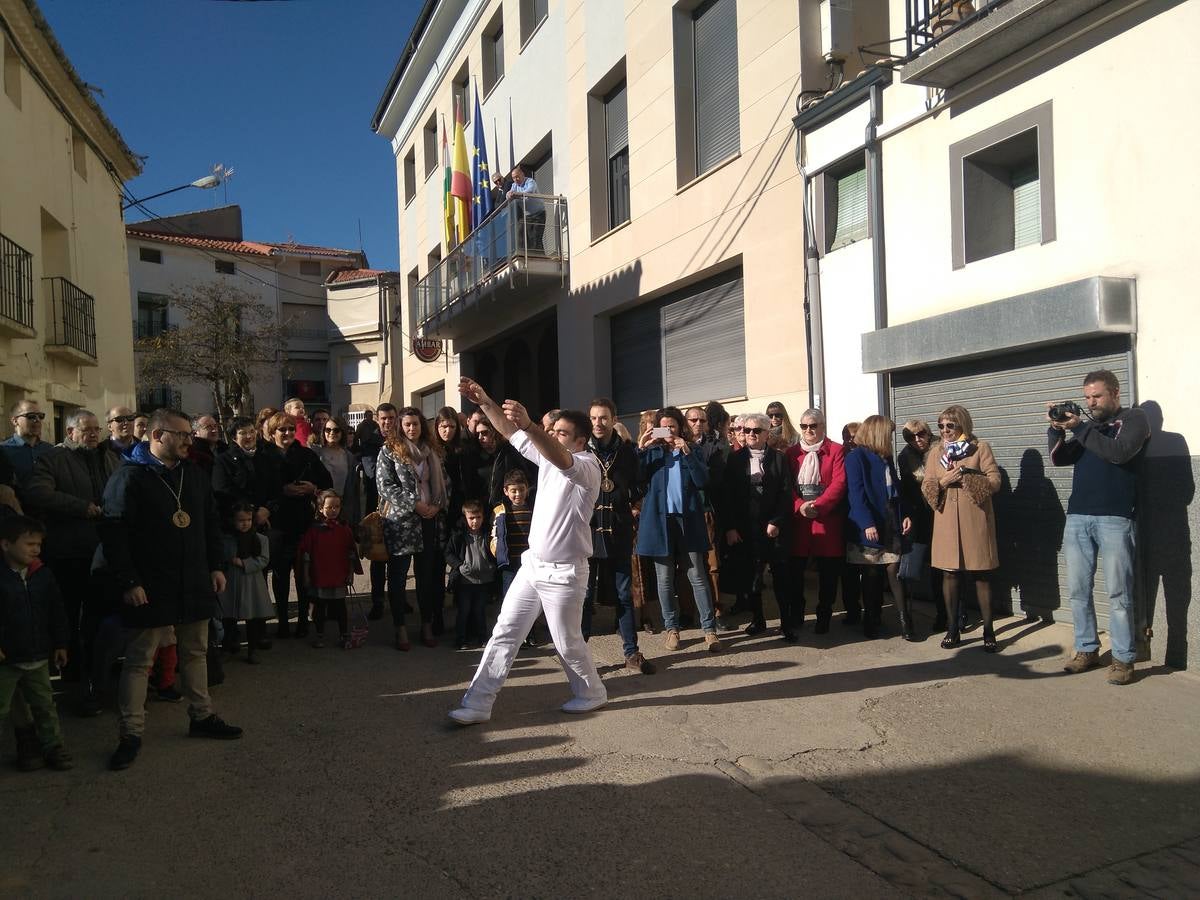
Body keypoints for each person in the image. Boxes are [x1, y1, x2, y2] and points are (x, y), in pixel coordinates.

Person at [449, 378, 606, 725]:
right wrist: (486, 401)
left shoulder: (587, 466)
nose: (554, 434)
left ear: (581, 440)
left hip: (565, 573)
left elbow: (558, 454)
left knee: (567, 643)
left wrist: (533, 425)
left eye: (561, 432)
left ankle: (591, 692)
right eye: (554, 430)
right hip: (533, 566)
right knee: (504, 631)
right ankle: (478, 703)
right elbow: (512, 433)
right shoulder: (549, 455)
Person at [100, 408, 243, 771]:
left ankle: (202, 716)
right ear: (156, 435)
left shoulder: (193, 474)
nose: (187, 441)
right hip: (150, 583)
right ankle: (130, 734)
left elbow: (210, 522)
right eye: (180, 435)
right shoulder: (128, 477)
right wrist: (129, 581)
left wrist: (216, 565)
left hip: (193, 578)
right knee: (139, 659)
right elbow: (114, 534)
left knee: (195, 651)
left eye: (188, 435)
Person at [1050, 370, 1150, 684]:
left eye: (1097, 396)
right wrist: (1056, 430)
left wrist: (1079, 427)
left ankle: (1123, 659)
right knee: (1079, 591)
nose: (1091, 403)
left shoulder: (1134, 420)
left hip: (1116, 518)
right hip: (1078, 516)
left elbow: (1118, 454)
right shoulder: (1088, 425)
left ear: (1115, 393)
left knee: (1119, 593)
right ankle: (1086, 650)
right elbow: (1060, 459)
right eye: (1087, 397)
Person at [23, 410, 120, 708]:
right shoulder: (52, 459)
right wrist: (81, 508)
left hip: (104, 552)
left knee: (100, 618)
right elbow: (38, 494)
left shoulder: (109, 457)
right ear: (69, 432)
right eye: (86, 429)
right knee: (69, 616)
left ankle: (100, 679)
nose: (93, 434)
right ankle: (74, 676)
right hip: (69, 553)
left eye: (96, 429)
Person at [637, 406, 723, 652]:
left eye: (672, 427)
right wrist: (641, 447)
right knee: (664, 580)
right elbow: (635, 476)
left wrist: (686, 452)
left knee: (697, 576)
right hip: (661, 522)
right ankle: (671, 629)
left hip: (689, 522)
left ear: (680, 428)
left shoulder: (692, 450)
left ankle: (709, 630)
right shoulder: (651, 453)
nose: (669, 432)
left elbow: (703, 481)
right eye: (664, 427)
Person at [922, 405, 1002, 651]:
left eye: (950, 426)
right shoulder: (936, 453)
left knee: (981, 575)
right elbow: (927, 485)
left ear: (962, 426)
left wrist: (967, 477)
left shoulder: (979, 448)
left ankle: (989, 631)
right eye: (941, 426)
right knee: (949, 574)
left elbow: (995, 481)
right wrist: (943, 481)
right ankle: (952, 629)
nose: (945, 431)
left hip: (974, 519)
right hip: (946, 520)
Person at [583, 398, 653, 674]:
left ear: (613, 420)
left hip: (618, 531)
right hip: (587, 532)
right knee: (584, 596)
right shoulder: (582, 451)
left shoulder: (626, 452)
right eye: (593, 418)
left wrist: (623, 497)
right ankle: (579, 656)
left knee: (624, 594)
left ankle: (631, 652)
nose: (598, 424)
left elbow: (640, 485)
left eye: (603, 418)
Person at [0, 515, 73, 771]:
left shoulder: (43, 575)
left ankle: (53, 747)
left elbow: (56, 611)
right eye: (29, 543)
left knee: (45, 705)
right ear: (6, 544)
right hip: (5, 659)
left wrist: (61, 643)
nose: (36, 549)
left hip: (39, 655)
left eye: (38, 544)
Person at [377, 406, 448, 650]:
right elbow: (385, 486)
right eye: (407, 424)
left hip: (429, 519)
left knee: (426, 577)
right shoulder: (389, 451)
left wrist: (436, 506)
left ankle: (426, 624)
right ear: (400, 426)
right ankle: (401, 629)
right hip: (401, 523)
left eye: (415, 424)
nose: (411, 428)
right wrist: (415, 505)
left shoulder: (432, 451)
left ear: (422, 426)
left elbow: (444, 481)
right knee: (398, 578)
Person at [258, 411, 332, 639]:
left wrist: (312, 487)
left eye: (291, 428)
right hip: (277, 523)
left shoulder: (307, 454)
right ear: (272, 433)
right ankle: (282, 621)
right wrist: (282, 490)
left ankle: (302, 620)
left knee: (303, 574)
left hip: (302, 521)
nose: (288, 433)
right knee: (280, 575)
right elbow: (258, 487)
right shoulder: (263, 456)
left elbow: (326, 481)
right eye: (282, 429)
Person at [720, 413, 791, 637]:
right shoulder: (735, 458)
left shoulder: (779, 458)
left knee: (781, 578)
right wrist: (730, 528)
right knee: (752, 578)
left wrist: (776, 521)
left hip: (773, 528)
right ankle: (758, 619)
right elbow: (727, 497)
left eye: (756, 431)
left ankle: (787, 623)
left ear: (766, 434)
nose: (750, 434)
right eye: (747, 430)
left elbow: (786, 493)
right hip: (746, 528)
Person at [844, 415, 912, 639]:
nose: (891, 439)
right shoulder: (856, 458)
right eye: (888, 433)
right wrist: (866, 523)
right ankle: (871, 622)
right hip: (870, 523)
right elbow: (856, 493)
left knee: (894, 571)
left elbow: (897, 491)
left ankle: (905, 622)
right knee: (871, 574)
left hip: (891, 520)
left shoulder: (886, 458)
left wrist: (905, 515)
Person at [785, 408, 847, 636]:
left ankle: (824, 614)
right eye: (804, 426)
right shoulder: (790, 453)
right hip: (799, 521)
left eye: (813, 425)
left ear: (823, 426)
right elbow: (787, 485)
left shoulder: (836, 451)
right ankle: (797, 613)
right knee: (795, 572)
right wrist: (799, 505)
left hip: (826, 520)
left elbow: (839, 483)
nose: (809, 430)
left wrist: (818, 506)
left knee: (828, 574)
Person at [897, 420, 949, 633]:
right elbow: (907, 490)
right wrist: (908, 515)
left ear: (928, 433)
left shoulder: (943, 449)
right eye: (910, 437)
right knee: (918, 566)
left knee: (945, 567)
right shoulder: (904, 457)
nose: (917, 440)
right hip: (919, 517)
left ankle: (951, 613)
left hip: (942, 513)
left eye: (920, 434)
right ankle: (930, 615)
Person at [298, 490, 360, 649]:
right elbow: (305, 555)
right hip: (319, 575)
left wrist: (350, 573)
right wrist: (305, 576)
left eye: (337, 507)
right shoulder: (314, 531)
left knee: (340, 606)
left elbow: (351, 553)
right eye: (330, 507)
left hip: (339, 574)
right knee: (319, 606)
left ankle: (344, 634)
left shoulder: (344, 529)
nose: (334, 510)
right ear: (320, 508)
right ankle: (319, 635)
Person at [217, 503, 273, 663]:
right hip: (230, 582)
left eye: (248, 519)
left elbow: (263, 559)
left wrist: (244, 563)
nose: (245, 523)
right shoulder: (227, 539)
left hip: (251, 583)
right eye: (241, 520)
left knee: (252, 618)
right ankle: (227, 647)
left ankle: (252, 650)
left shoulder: (260, 539)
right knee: (228, 617)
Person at [445, 499, 496, 650]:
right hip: (465, 582)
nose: (475, 521)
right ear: (465, 518)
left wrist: (492, 565)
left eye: (478, 517)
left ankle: (483, 638)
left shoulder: (488, 534)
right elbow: (448, 553)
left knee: (480, 611)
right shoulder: (458, 535)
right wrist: (459, 566)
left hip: (483, 581)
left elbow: (494, 551)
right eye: (471, 518)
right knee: (464, 611)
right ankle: (461, 639)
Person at [362, 403, 395, 620]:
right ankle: (377, 602)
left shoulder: (403, 441)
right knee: (378, 558)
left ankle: (396, 599)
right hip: (378, 509)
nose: (387, 422)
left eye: (391, 418)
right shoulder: (370, 443)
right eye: (383, 418)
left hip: (399, 510)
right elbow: (372, 473)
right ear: (377, 419)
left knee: (397, 558)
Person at [212, 416, 271, 527]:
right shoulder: (223, 461)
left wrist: (267, 509)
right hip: (237, 521)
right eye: (243, 433)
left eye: (252, 431)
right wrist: (252, 509)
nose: (249, 436)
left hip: (266, 518)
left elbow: (274, 486)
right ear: (234, 437)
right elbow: (223, 490)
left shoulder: (264, 457)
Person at [839, 421, 863, 626]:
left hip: (864, 520)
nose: (849, 440)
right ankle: (852, 611)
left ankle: (872, 611)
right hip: (844, 519)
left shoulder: (869, 457)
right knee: (848, 572)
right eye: (845, 436)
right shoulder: (841, 456)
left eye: (852, 436)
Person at [317, 416, 361, 528]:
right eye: (328, 430)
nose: (332, 433)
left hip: (341, 507)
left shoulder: (349, 457)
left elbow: (353, 489)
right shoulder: (316, 453)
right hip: (320, 508)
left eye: (336, 430)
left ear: (342, 433)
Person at [433, 406, 471, 529]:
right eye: (444, 426)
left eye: (452, 427)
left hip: (458, 503)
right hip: (436, 504)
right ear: (437, 426)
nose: (448, 431)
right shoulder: (429, 449)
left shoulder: (464, 448)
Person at [3, 400, 54, 485]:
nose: (37, 420)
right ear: (15, 421)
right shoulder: (4, 451)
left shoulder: (50, 450)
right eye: (31, 416)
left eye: (40, 416)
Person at [507, 163, 545, 253]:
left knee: (536, 236)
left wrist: (516, 194)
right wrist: (509, 194)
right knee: (521, 234)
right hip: (528, 215)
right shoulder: (514, 186)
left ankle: (540, 256)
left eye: (517, 176)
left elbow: (530, 191)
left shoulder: (530, 181)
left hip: (539, 213)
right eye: (513, 178)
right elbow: (508, 195)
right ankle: (523, 254)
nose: (516, 179)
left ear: (522, 175)